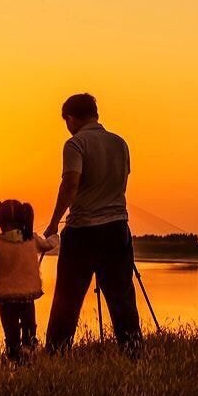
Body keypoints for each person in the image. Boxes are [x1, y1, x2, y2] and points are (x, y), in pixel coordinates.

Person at [43, 93, 143, 358]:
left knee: (67, 298)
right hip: (118, 228)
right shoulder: (120, 143)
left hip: (83, 230)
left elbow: (71, 183)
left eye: (66, 120)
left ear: (71, 118)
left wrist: (53, 222)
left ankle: (56, 355)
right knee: (122, 297)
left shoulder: (75, 144)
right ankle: (133, 353)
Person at [0, 199, 59, 363]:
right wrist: (55, 235)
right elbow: (49, 244)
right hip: (27, 295)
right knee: (29, 328)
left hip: (5, 299)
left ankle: (14, 360)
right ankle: (28, 354)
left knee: (11, 332)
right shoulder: (31, 238)